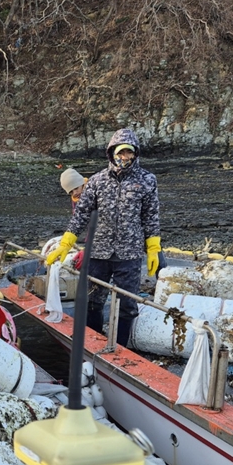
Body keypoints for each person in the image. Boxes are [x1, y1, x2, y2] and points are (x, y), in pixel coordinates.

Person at [46, 128, 160, 347]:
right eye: (120, 152)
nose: (124, 157)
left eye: (129, 153)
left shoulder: (147, 180)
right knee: (92, 300)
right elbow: (81, 214)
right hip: (98, 251)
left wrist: (153, 247)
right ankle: (93, 342)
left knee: (127, 304)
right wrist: (65, 243)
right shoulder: (97, 181)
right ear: (111, 153)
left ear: (135, 154)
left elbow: (151, 216)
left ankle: (120, 349)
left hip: (130, 253)